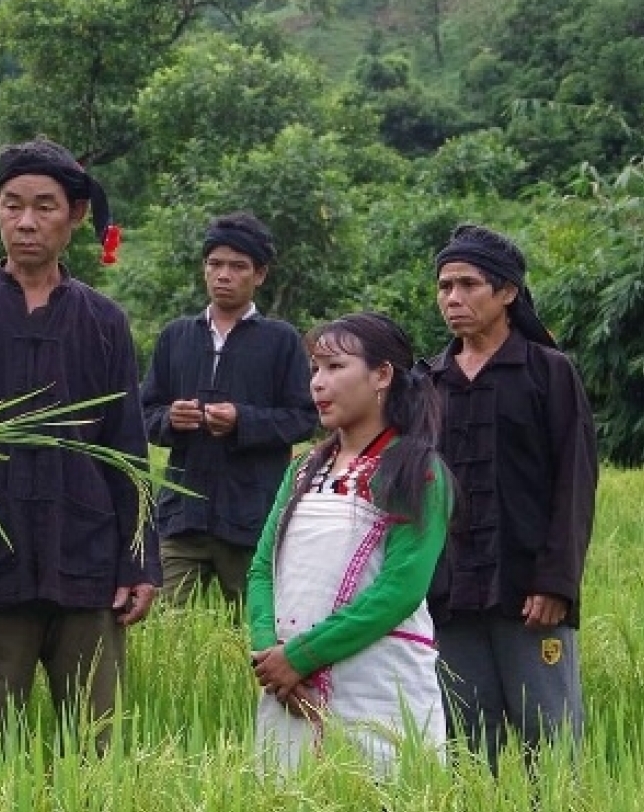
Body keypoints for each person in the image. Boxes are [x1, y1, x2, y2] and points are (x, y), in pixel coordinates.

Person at [0, 137, 159, 749]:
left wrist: (139, 562)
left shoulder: (104, 321)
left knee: (98, 749)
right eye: (13, 204)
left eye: (45, 206)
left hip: (88, 560)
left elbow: (127, 447)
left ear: (75, 216)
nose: (26, 222)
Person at [422, 224, 597, 770]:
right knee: (469, 747)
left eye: (469, 284)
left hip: (528, 593)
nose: (453, 298)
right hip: (449, 594)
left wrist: (556, 581)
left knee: (549, 741)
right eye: (445, 285)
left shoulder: (549, 371)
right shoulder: (427, 380)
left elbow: (576, 479)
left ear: (507, 293)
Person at [248, 312, 453, 776]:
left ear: (382, 375)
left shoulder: (418, 471)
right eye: (315, 369)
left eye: (335, 368)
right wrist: (271, 657)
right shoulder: (302, 471)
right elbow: (263, 568)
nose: (318, 383)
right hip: (288, 689)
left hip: (378, 683)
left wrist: (299, 657)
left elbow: (400, 590)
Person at [140, 213, 316, 606]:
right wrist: (171, 419)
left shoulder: (280, 340)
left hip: (251, 517)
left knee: (254, 633)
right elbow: (143, 413)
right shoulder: (176, 336)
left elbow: (304, 419)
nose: (224, 275)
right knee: (168, 628)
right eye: (215, 264)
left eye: (238, 266)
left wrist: (243, 420)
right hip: (181, 516)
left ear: (260, 275)